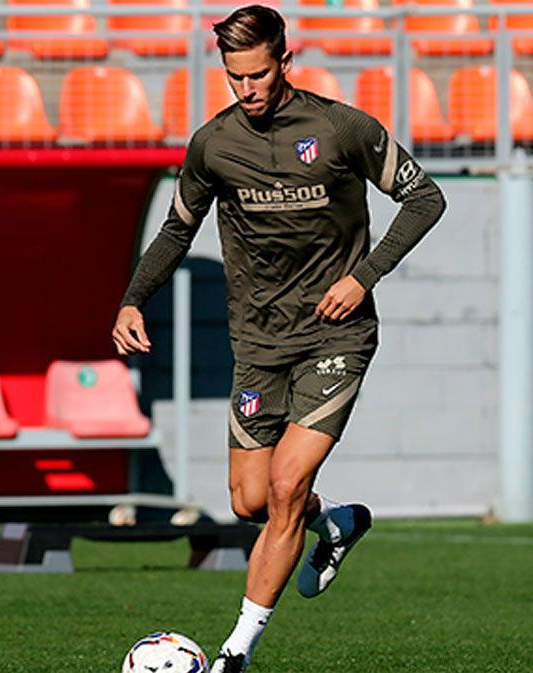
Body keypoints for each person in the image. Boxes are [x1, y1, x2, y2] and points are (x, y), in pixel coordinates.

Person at [111, 5, 447, 672]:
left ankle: (236, 651)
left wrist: (364, 276)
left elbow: (425, 198)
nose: (248, 89)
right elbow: (178, 230)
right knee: (251, 500)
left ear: (285, 61)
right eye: (235, 78)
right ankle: (336, 522)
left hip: (336, 336)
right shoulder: (214, 145)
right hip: (259, 345)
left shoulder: (340, 128)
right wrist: (132, 298)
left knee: (288, 485)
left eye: (259, 74)